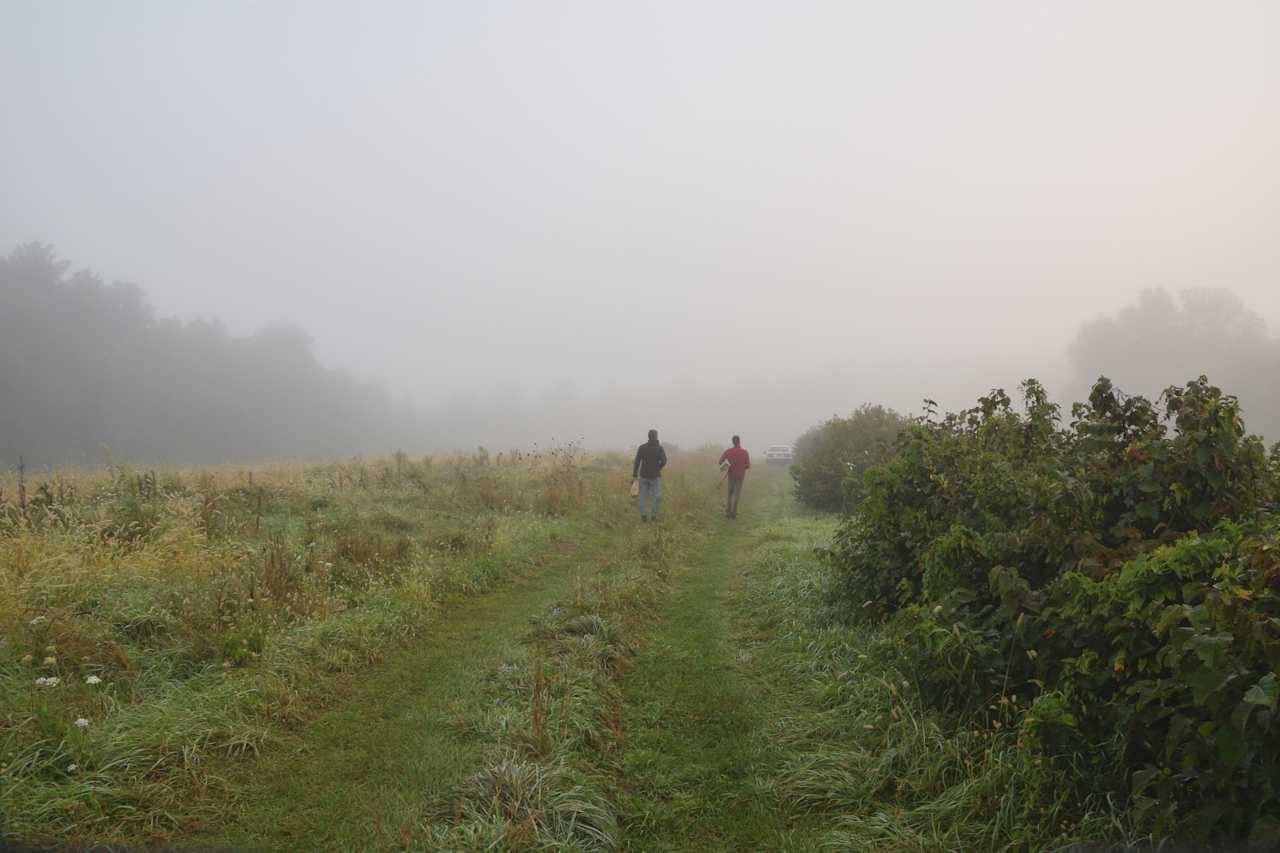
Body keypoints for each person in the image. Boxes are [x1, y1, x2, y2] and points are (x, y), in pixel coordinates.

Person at [632, 429, 668, 522]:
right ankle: (653, 516)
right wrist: (658, 468)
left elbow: (637, 462)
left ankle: (643, 516)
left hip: (643, 476)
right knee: (657, 497)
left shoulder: (642, 448)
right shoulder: (659, 448)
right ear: (656, 437)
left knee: (642, 496)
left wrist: (635, 475)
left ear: (648, 436)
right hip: (655, 477)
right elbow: (664, 461)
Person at [718, 435, 750, 518]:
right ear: (739, 441)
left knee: (730, 493)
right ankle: (734, 513)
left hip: (731, 475)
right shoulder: (745, 452)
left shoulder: (728, 451)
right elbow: (747, 466)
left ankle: (728, 512)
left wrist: (727, 466)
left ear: (733, 442)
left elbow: (720, 462)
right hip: (740, 476)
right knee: (737, 494)